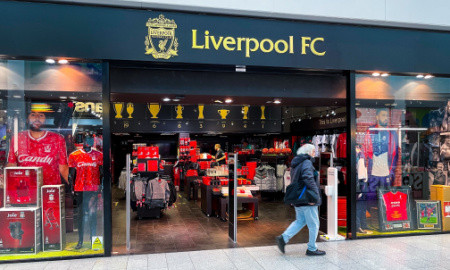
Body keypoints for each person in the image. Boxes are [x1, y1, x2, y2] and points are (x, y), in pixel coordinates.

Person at [276, 144, 325, 256]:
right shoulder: (307, 162)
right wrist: (315, 195)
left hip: (298, 197)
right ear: (308, 152)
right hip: (307, 197)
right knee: (314, 224)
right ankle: (312, 248)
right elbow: (308, 178)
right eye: (313, 151)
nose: (314, 153)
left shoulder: (296, 163)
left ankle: (283, 238)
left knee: (300, 221)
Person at [7, 104, 69, 186]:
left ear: (46, 119)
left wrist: (67, 187)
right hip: (24, 189)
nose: (37, 118)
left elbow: (63, 166)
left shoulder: (57, 138)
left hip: (50, 189)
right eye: (33, 115)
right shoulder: (18, 138)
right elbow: (12, 164)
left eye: (41, 115)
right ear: (27, 119)